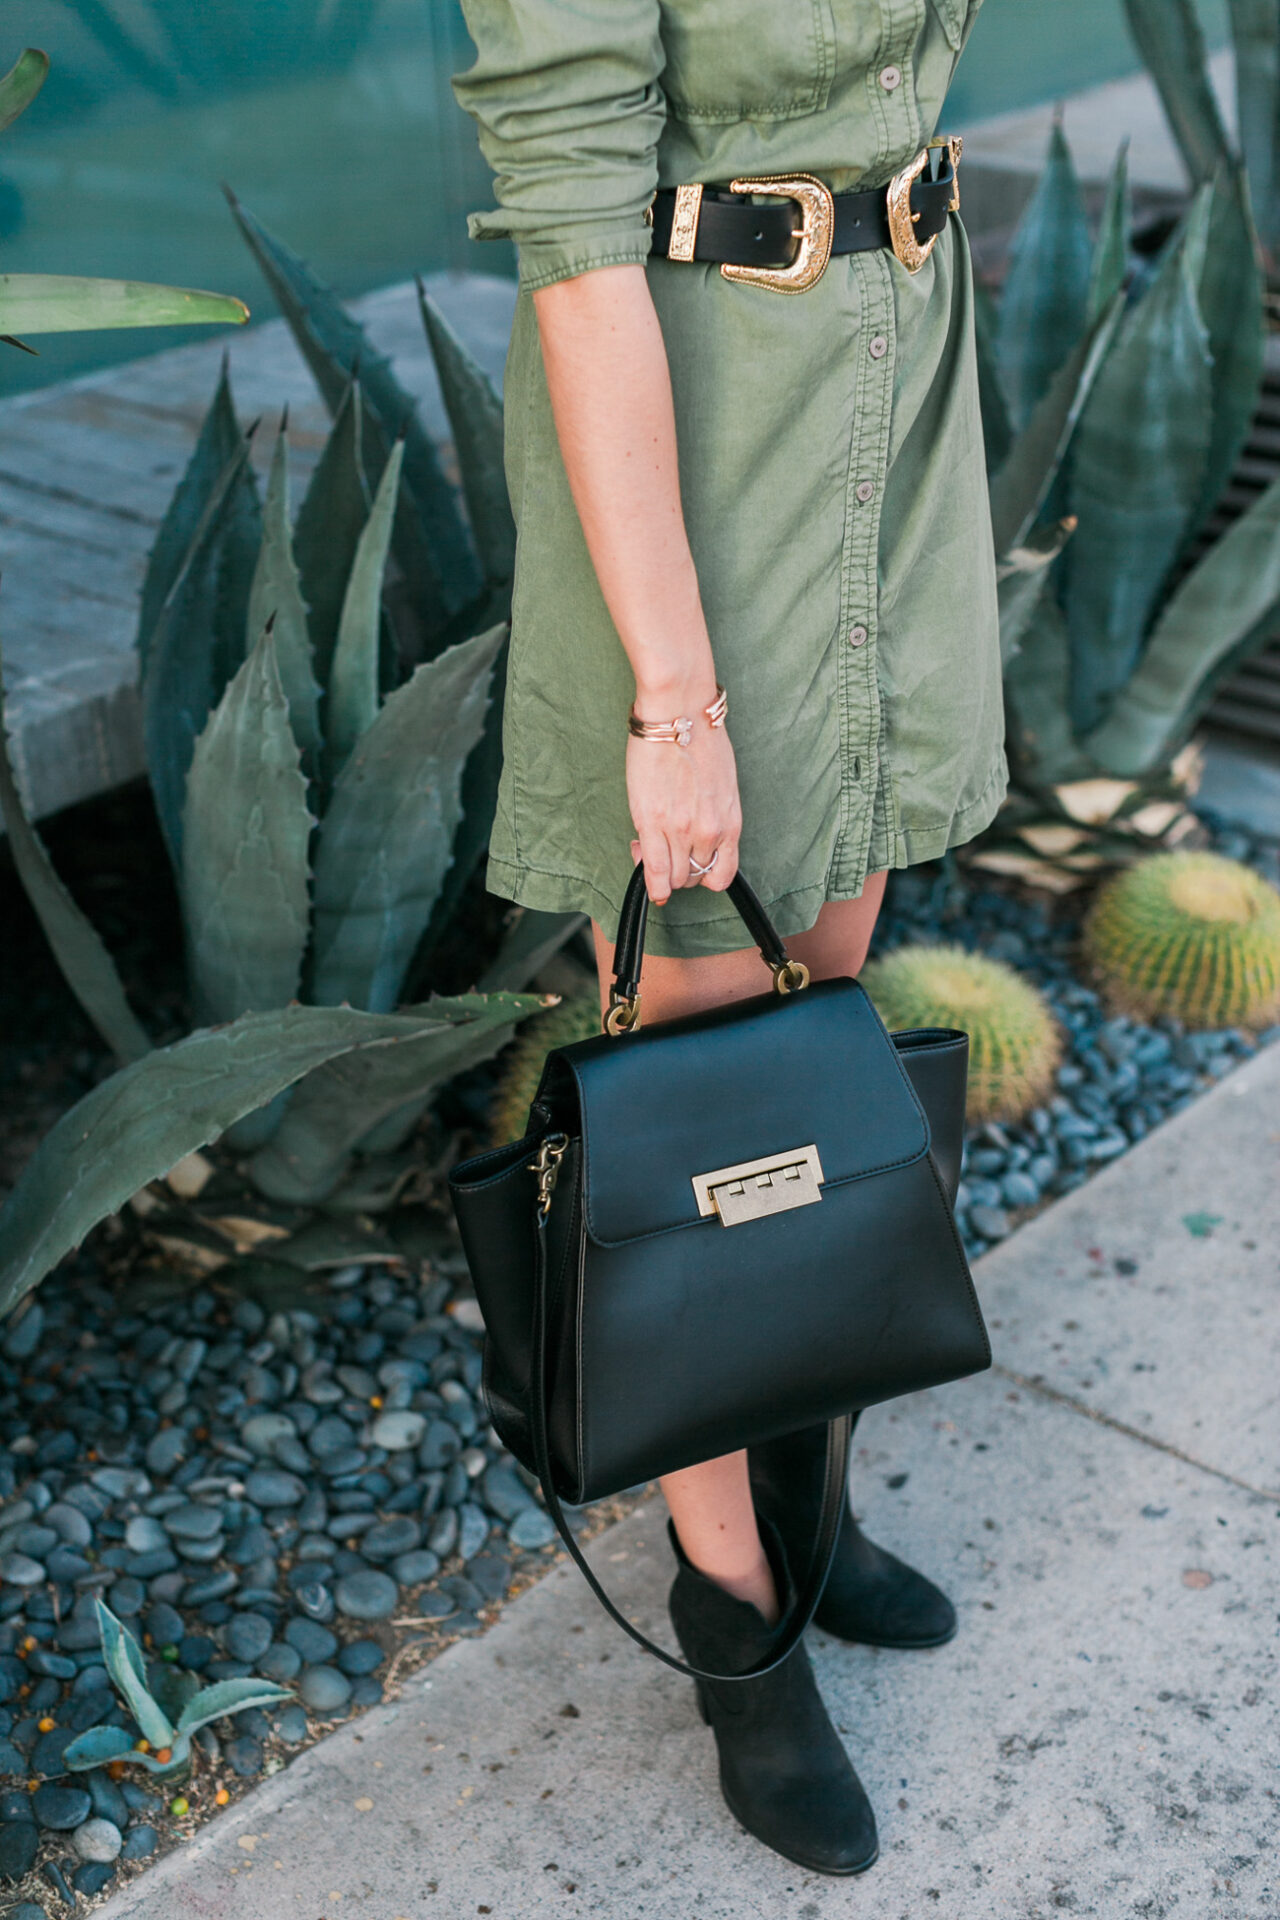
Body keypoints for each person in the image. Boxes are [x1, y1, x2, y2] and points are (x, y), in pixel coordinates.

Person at [453, 0, 1006, 1876]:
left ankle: (808, 1475)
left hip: (899, 393)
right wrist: (671, 696)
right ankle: (734, 1607)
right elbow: (577, 237)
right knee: (697, 1062)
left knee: (828, 1027)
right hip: (686, 441)